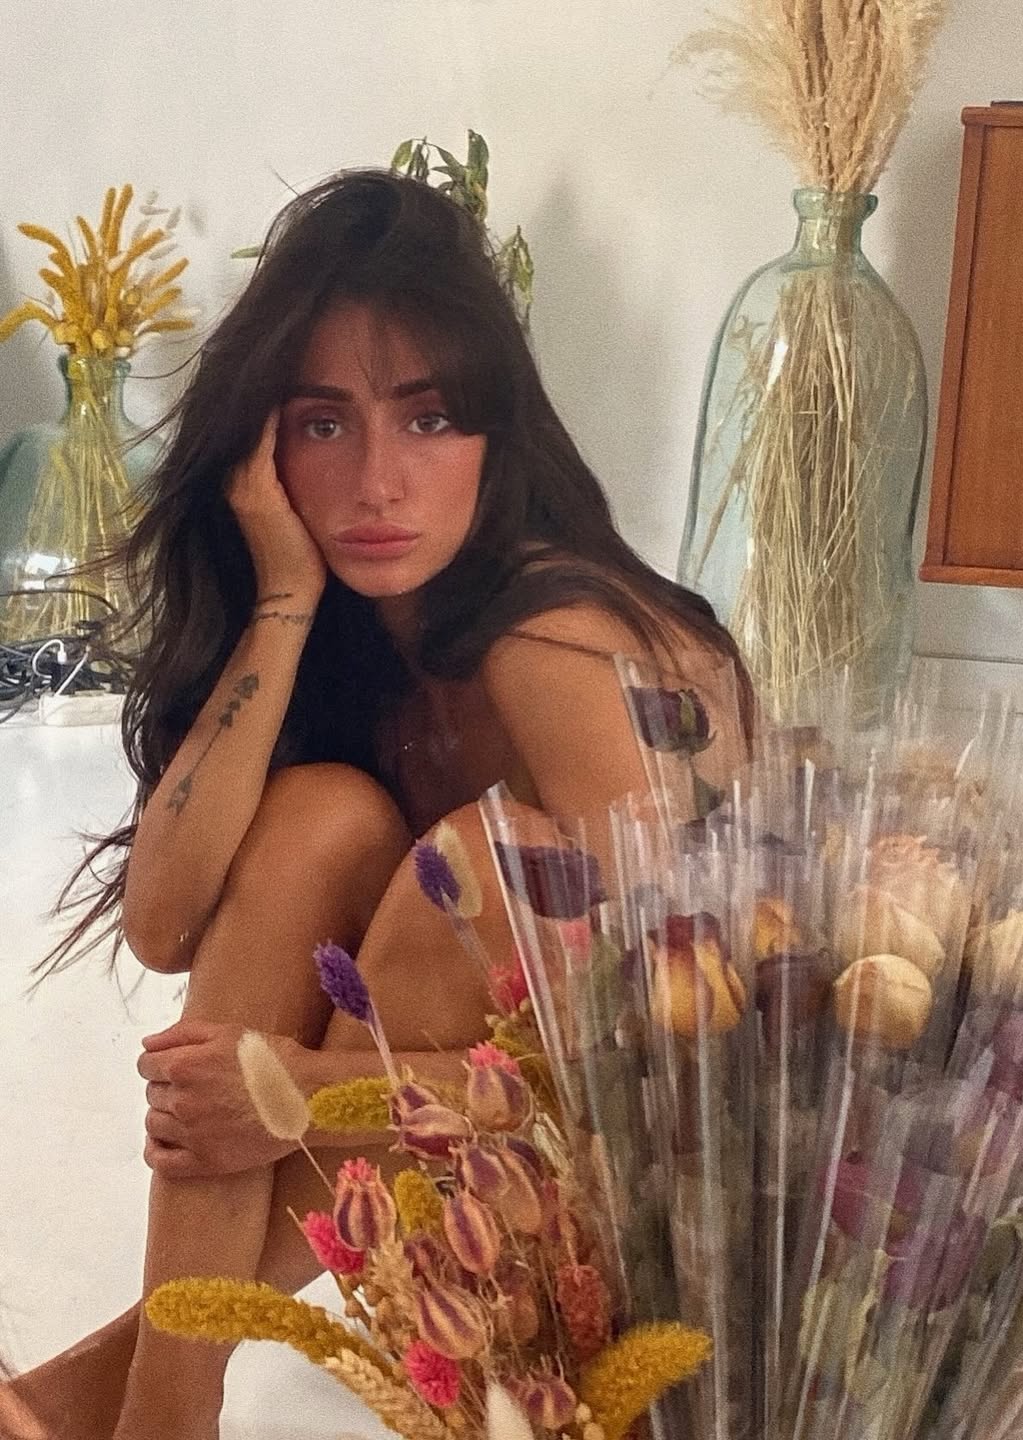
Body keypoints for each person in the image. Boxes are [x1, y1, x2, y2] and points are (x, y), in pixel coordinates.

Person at [3, 169, 748, 1440]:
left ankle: (127, 1405)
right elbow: (164, 925)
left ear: (496, 440)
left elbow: (678, 1053)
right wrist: (282, 599)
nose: (377, 484)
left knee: (487, 868)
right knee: (321, 818)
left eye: (428, 418)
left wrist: (302, 1089)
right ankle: (162, 1412)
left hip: (708, 1180)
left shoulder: (554, 644)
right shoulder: (353, 645)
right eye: (323, 424)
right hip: (463, 1136)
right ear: (261, 450)